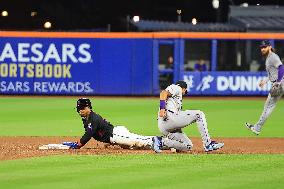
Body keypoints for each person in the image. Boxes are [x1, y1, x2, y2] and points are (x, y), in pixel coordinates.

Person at [151, 80, 224, 153]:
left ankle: (161, 141)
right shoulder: (177, 88)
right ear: (184, 89)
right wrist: (162, 108)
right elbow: (163, 93)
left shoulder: (176, 101)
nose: (184, 93)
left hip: (164, 126)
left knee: (188, 146)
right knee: (199, 114)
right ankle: (208, 144)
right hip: (169, 118)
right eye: (185, 92)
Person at [63, 98, 153, 149]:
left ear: (88, 107)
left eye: (82, 108)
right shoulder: (85, 118)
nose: (80, 111)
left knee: (139, 141)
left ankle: (160, 141)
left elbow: (88, 134)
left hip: (117, 134)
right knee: (135, 147)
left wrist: (78, 144)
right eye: (79, 109)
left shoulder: (93, 118)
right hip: (113, 137)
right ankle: (162, 144)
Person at [245, 40, 284, 135]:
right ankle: (257, 127)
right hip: (279, 82)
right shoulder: (269, 57)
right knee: (268, 107)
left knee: (268, 107)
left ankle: (257, 128)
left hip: (279, 83)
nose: (262, 49)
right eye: (261, 47)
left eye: (265, 47)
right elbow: (273, 73)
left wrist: (278, 82)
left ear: (270, 47)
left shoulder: (273, 57)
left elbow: (281, 67)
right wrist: (265, 81)